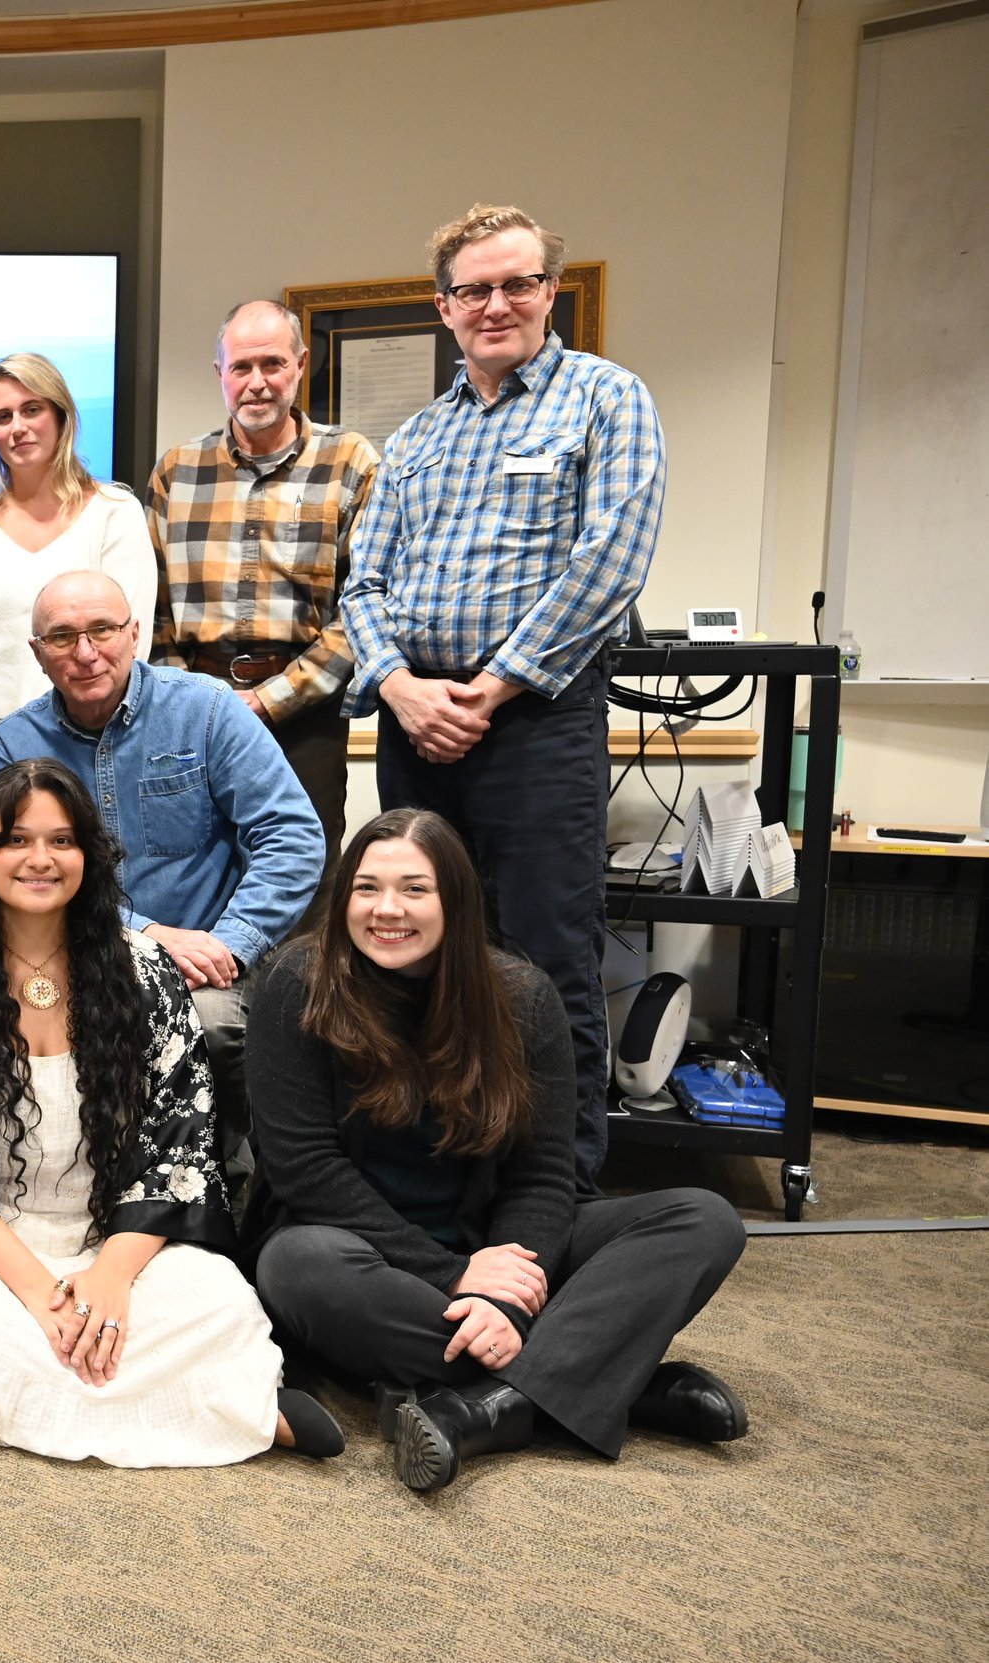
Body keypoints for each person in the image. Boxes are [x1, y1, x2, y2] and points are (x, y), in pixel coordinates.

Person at [0, 758, 340, 1467]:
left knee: (220, 1304)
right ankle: (224, 1407)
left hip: (118, 1238)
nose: (40, 859)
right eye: (16, 841)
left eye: (62, 840)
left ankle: (9, 1394)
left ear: (90, 855)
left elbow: (179, 1148)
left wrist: (109, 1276)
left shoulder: (147, 971)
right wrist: (38, 1291)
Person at [246, 809, 747, 1493]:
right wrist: (459, 1277)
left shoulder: (523, 997)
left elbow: (544, 1175)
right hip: (362, 1254)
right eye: (366, 888)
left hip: (495, 1241)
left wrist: (505, 1301)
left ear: (455, 900)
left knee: (703, 1219)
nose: (387, 909)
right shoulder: (295, 982)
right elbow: (303, 1170)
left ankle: (486, 1404)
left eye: (415, 889)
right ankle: (616, 1382)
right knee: (296, 1266)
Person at [341, 203, 667, 1190]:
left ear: (548, 291)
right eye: (473, 289)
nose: (496, 304)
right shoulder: (416, 437)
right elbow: (362, 584)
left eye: (516, 283)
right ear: (443, 306)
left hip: (533, 721)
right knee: (411, 950)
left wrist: (488, 688)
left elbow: (611, 560)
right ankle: (439, 1177)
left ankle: (553, 1194)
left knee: (543, 962)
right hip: (415, 724)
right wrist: (399, 685)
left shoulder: (604, 399)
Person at [0, 570, 322, 1170]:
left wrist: (230, 945)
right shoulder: (16, 743)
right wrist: (145, 935)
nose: (85, 652)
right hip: (75, 955)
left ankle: (221, 1186)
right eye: (62, 637)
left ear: (134, 633)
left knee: (210, 1028)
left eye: (102, 629)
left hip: (209, 967)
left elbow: (292, 837)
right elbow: (20, 875)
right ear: (38, 654)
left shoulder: (207, 709)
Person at [149, 300, 379, 882]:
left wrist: (268, 700)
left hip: (307, 716)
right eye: (241, 367)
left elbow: (363, 606)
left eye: (272, 364)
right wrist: (191, 701)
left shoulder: (349, 461)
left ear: (300, 366)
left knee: (302, 878)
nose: (257, 382)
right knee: (195, 873)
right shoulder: (177, 469)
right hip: (194, 710)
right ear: (220, 373)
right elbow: (154, 607)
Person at [0, 353, 160, 810]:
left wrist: (80, 733)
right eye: (2, 417)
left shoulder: (115, 513)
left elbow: (129, 640)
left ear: (60, 416)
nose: (18, 427)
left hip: (95, 748)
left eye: (32, 409)